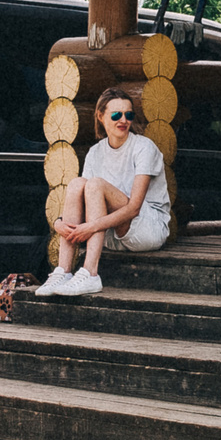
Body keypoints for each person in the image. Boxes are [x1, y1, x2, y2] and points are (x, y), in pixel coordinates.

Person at [40, 87, 169, 295]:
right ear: (101, 116)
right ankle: (63, 272)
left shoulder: (144, 147)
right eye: (116, 115)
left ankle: (90, 273)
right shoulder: (95, 152)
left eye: (129, 115)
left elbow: (134, 208)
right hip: (108, 232)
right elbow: (83, 198)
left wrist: (89, 228)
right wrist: (60, 222)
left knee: (95, 184)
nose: (123, 120)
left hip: (147, 228)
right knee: (77, 184)